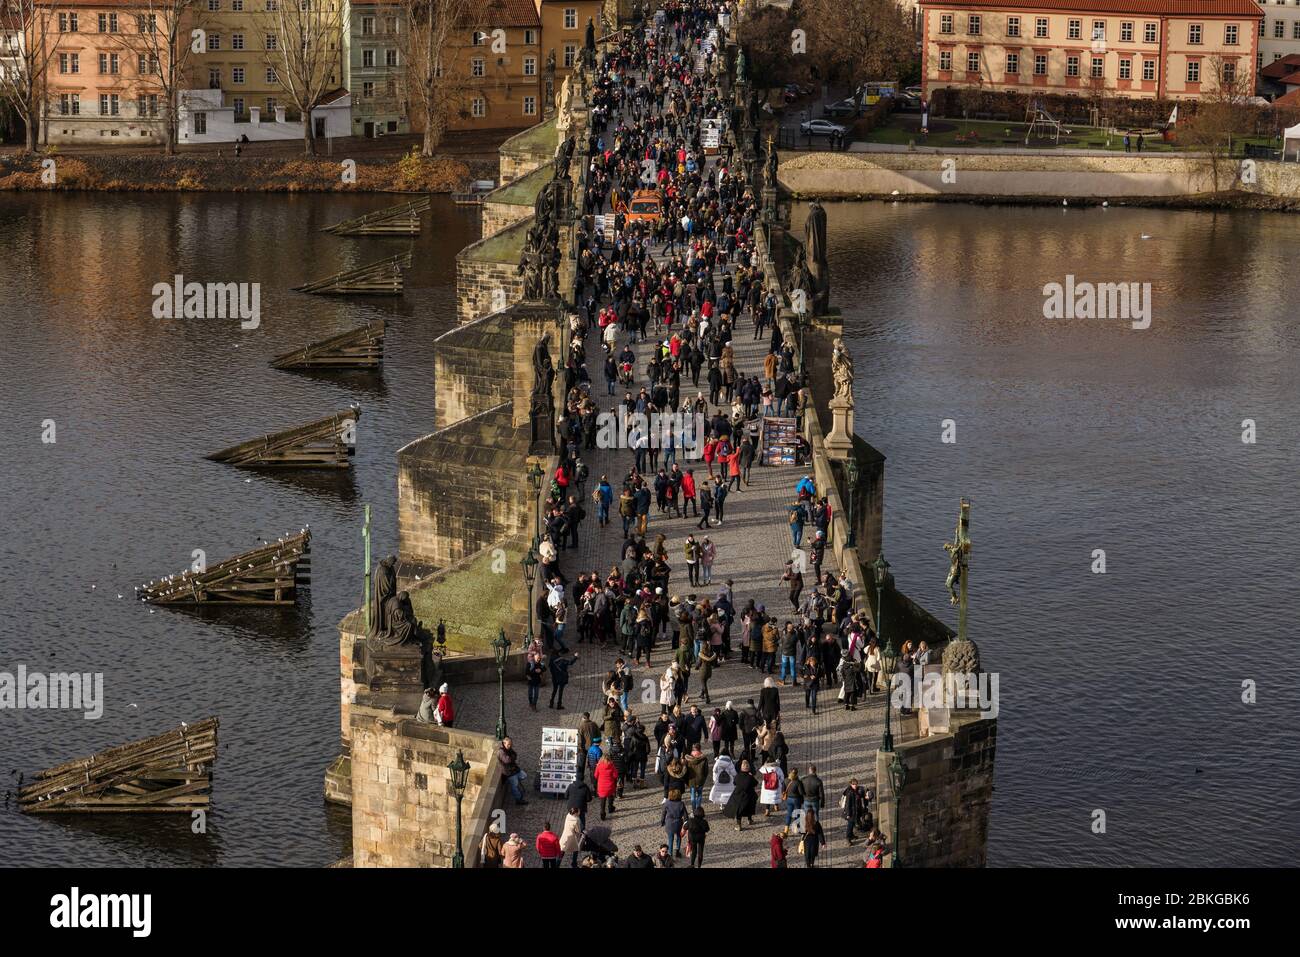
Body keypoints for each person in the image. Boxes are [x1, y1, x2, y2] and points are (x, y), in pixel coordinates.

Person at [723, 758, 758, 830]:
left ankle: (739, 825)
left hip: (739, 795)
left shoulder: (738, 776)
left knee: (739, 810)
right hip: (749, 795)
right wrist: (751, 776)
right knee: (750, 808)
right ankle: (750, 820)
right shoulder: (750, 777)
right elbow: (755, 783)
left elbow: (734, 783)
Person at [498, 737, 528, 806]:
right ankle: (519, 799)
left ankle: (515, 782)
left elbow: (515, 755)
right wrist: (512, 757)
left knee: (524, 775)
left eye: (510, 744)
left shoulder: (509, 749)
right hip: (509, 772)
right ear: (504, 743)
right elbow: (507, 761)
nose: (510, 746)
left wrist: (511, 757)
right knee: (515, 786)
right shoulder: (501, 752)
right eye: (508, 744)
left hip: (514, 769)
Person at [841, 778, 870, 844]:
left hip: (856, 811)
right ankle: (848, 838)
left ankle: (851, 835)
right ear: (851, 784)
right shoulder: (849, 792)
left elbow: (861, 795)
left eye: (856, 784)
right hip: (851, 812)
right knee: (850, 825)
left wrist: (866, 797)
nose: (855, 786)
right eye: (854, 784)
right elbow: (848, 804)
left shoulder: (856, 790)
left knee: (853, 823)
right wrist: (848, 814)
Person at [661, 788, 687, 857]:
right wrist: (685, 826)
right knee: (679, 837)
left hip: (669, 823)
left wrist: (662, 822)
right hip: (678, 823)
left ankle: (670, 853)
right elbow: (686, 816)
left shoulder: (667, 803)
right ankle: (677, 851)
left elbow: (663, 814)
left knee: (670, 839)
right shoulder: (681, 804)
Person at [594, 750, 619, 819]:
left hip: (601, 786)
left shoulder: (599, 766)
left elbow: (595, 776)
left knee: (603, 801)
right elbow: (615, 775)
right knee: (611, 797)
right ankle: (610, 808)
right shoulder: (611, 765)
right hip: (610, 785)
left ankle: (602, 814)